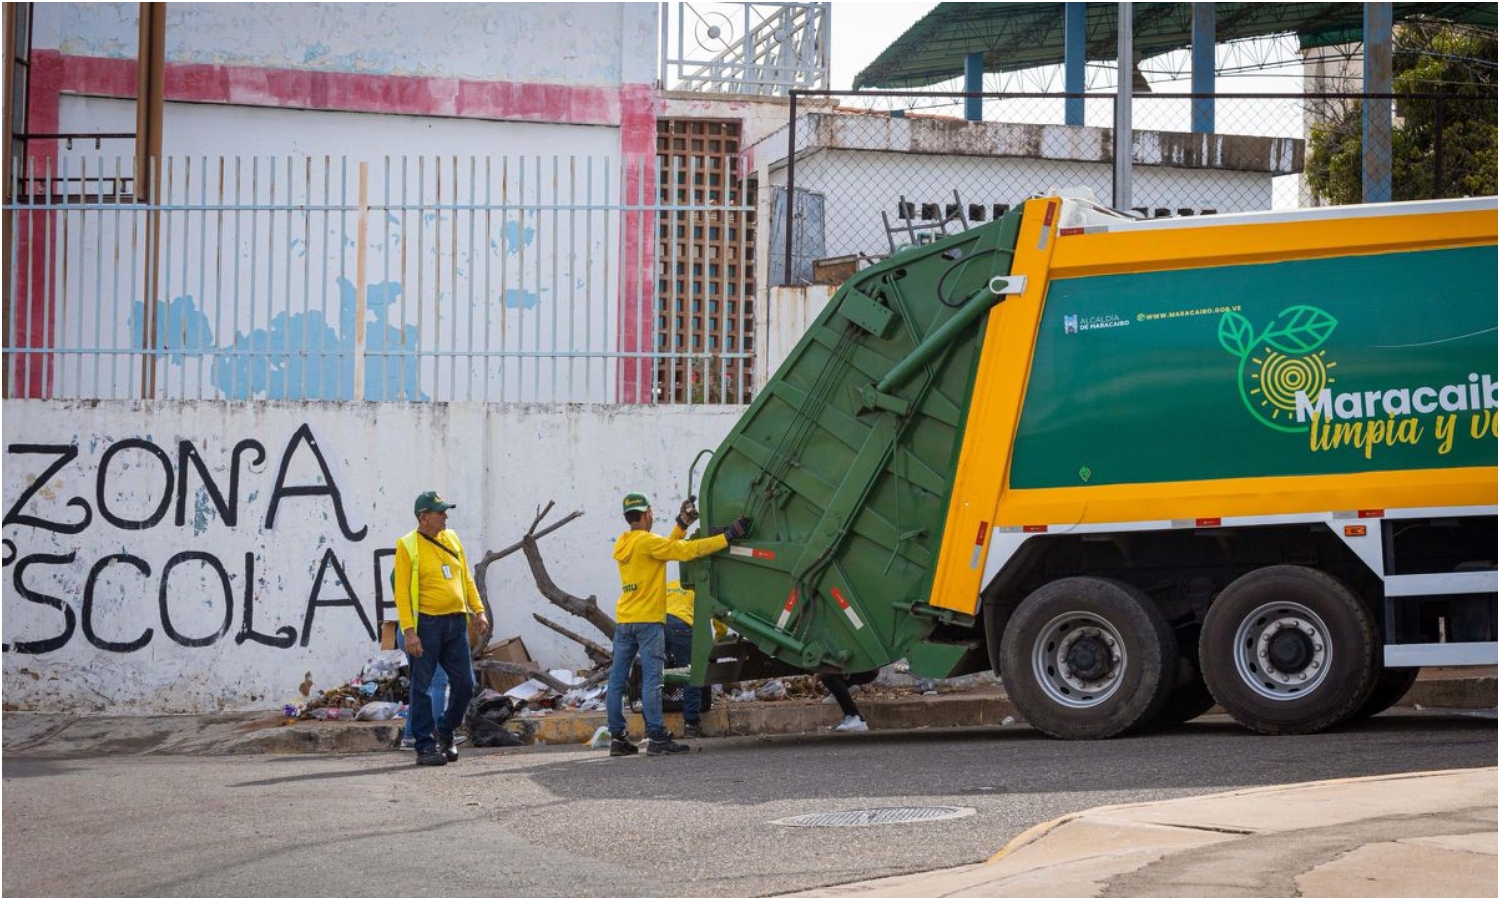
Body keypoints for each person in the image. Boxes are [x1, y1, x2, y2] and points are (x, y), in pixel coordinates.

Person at [607, 491, 747, 758]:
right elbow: (687, 551)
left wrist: (681, 525)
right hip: (648, 621)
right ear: (647, 513)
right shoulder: (648, 542)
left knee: (617, 681)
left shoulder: (623, 544)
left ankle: (617, 738)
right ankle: (657, 737)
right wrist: (727, 537)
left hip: (624, 620)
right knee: (652, 681)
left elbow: (665, 547)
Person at [394, 490, 488, 767]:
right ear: (424, 518)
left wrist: (478, 611)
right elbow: (401, 592)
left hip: (456, 622)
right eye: (440, 512)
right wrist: (409, 631)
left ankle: (445, 730)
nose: (446, 516)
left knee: (466, 685)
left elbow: (466, 577)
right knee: (421, 687)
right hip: (427, 624)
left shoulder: (452, 538)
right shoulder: (407, 545)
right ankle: (424, 746)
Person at [663, 576, 711, 739]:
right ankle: (691, 724)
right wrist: (720, 636)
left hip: (658, 624)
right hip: (682, 626)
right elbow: (718, 616)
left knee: (655, 675)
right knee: (691, 674)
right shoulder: (702, 589)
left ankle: (653, 726)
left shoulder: (670, 585)